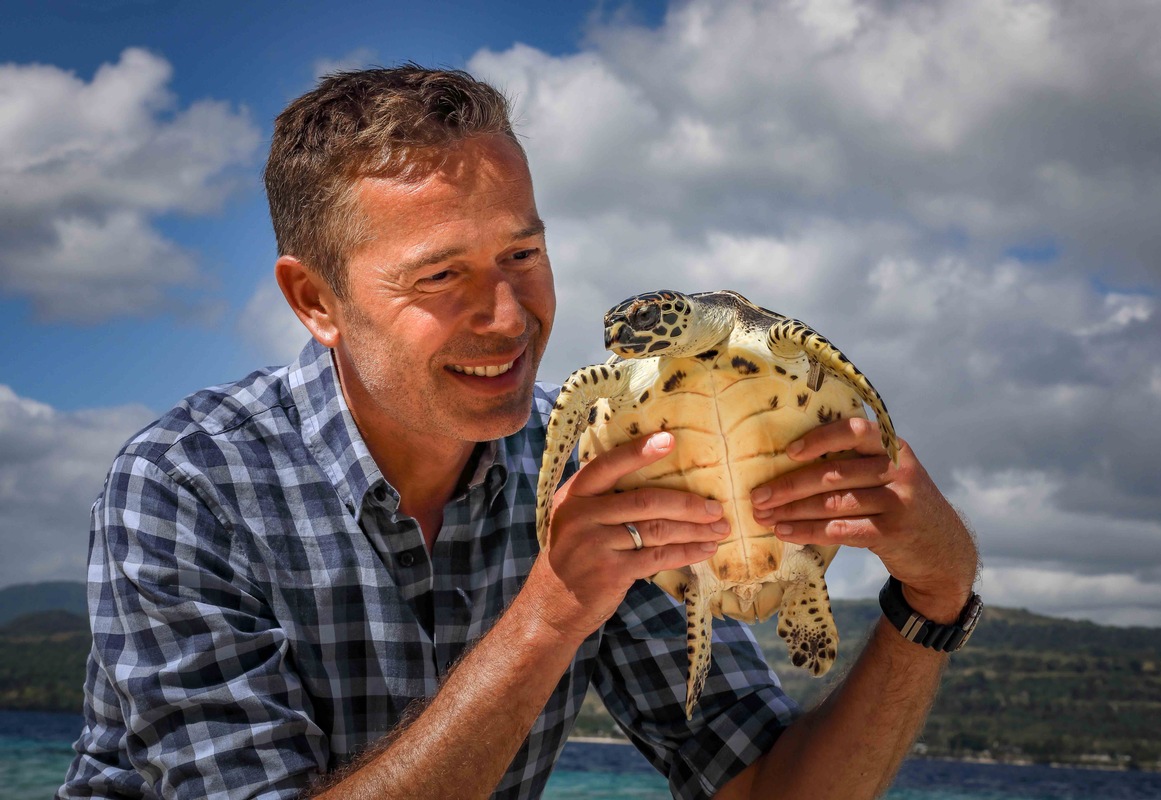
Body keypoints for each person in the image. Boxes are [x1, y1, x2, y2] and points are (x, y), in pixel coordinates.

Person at [59, 66, 979, 799]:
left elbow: (760, 790)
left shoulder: (591, 460)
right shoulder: (185, 488)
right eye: (440, 278)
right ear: (315, 301)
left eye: (522, 256)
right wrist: (549, 616)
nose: (507, 316)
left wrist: (932, 597)